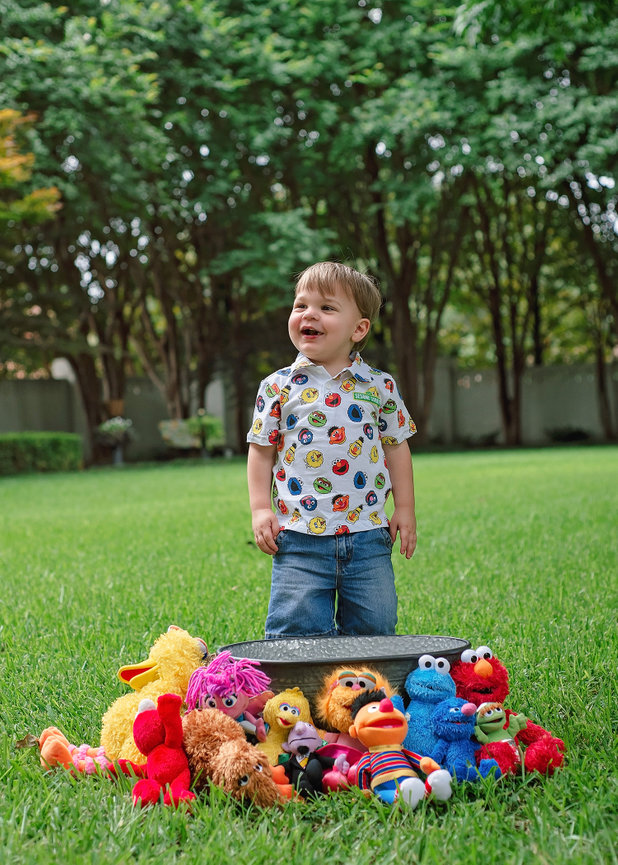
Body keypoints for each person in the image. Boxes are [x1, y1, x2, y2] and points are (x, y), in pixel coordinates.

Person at [247, 261, 417, 639]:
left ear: (359, 329)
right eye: (300, 305)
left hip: (368, 535)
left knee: (374, 630)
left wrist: (404, 508)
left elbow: (396, 447)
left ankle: (362, 695)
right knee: (295, 633)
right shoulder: (277, 387)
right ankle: (298, 695)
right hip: (299, 539)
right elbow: (260, 450)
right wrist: (261, 508)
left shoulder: (378, 386)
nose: (309, 314)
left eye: (326, 307)